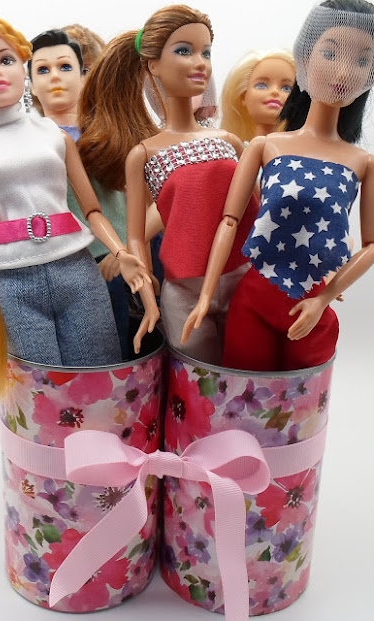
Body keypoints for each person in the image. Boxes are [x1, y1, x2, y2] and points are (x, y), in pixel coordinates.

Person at [0, 10, 150, 400]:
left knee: (99, 376)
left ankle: (103, 437)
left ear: (23, 69)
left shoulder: (53, 135)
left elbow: (92, 211)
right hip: (11, 282)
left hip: (75, 267)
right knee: (41, 392)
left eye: (6, 59)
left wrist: (120, 252)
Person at [182, 0, 374, 372]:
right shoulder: (266, 146)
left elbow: (371, 245)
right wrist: (205, 296)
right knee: (242, 394)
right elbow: (228, 222)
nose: (343, 70)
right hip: (254, 299)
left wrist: (325, 298)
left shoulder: (362, 161)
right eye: (330, 53)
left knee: (300, 400)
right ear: (305, 56)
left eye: (362, 61)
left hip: (310, 309)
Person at [87, 4, 258, 364]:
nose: (200, 63)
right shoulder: (144, 153)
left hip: (244, 277)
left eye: (206, 52)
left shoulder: (230, 142)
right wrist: (148, 300)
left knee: (246, 370)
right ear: (153, 65)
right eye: (184, 51)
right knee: (195, 376)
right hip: (185, 289)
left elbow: (258, 215)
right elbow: (137, 237)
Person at [221, 48, 295, 144]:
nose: (275, 92)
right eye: (261, 86)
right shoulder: (236, 148)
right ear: (243, 96)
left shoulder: (298, 150)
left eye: (286, 88)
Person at [28, 29, 84, 141]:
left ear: (82, 78)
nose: (55, 76)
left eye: (65, 67)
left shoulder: (106, 138)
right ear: (32, 85)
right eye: (43, 70)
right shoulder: (29, 140)